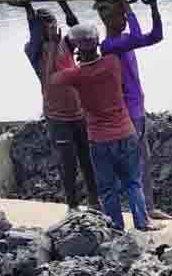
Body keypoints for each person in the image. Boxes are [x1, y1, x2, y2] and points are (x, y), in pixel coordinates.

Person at [51, 24, 161, 232]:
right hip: (125, 132)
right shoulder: (112, 63)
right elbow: (114, 45)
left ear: (77, 52)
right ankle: (142, 222)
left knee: (108, 189)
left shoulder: (77, 75)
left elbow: (56, 77)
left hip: (99, 139)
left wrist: (63, 44)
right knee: (132, 182)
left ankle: (116, 227)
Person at [18, 0, 100, 211]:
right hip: (57, 117)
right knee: (68, 163)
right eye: (48, 25)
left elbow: (80, 31)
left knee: (87, 160)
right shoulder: (34, 50)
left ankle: (94, 200)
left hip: (78, 112)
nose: (53, 27)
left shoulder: (65, 42)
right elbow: (49, 76)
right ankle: (72, 206)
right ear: (39, 29)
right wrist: (29, 10)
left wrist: (64, 5)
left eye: (54, 22)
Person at [96, 0, 171, 221]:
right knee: (133, 164)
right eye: (122, 17)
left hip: (138, 109)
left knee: (142, 160)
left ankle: (147, 207)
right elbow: (138, 35)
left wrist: (154, 7)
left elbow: (156, 36)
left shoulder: (125, 40)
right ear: (109, 21)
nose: (126, 20)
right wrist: (129, 8)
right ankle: (138, 212)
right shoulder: (109, 45)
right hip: (128, 113)